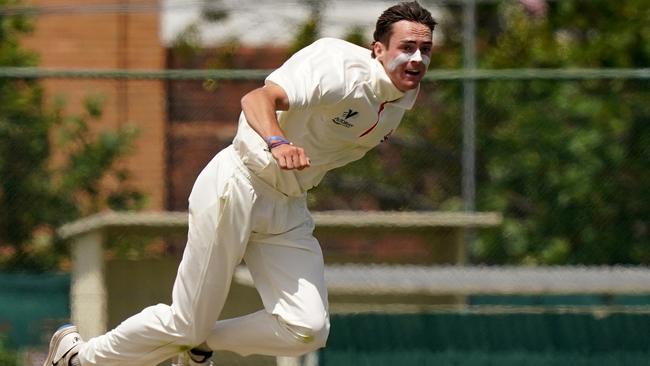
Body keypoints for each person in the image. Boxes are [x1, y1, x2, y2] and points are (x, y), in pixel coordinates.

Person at [43, 2, 436, 365]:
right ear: (377, 49)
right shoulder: (337, 68)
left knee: (307, 329)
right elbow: (255, 100)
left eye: (425, 49)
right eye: (407, 46)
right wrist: (278, 141)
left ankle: (200, 344)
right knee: (186, 322)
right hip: (239, 184)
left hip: (288, 203)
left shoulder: (405, 94)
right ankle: (78, 358)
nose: (416, 58)